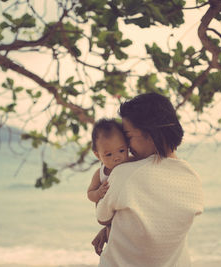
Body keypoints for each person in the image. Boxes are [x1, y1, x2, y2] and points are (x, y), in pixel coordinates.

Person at [95, 92, 204, 267]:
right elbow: (156, 229)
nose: (127, 146)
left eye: (129, 136)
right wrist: (112, 230)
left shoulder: (125, 174)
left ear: (151, 134)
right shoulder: (192, 178)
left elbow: (102, 216)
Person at [87, 118, 132, 255]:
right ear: (97, 155)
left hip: (124, 213)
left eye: (121, 150)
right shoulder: (100, 174)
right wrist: (99, 192)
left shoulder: (131, 162)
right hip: (108, 216)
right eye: (109, 154)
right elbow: (90, 194)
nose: (117, 157)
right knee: (112, 235)